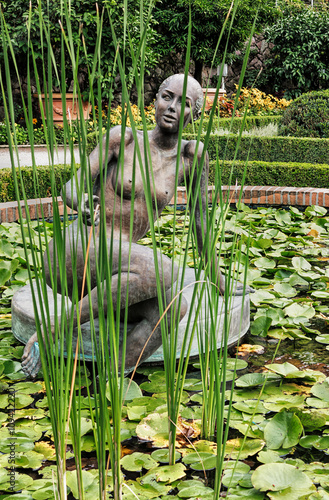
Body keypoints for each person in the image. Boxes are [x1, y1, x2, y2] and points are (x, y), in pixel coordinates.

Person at [21, 74, 225, 378]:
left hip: (115, 275)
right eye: (167, 97)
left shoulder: (191, 158)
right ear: (155, 100)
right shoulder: (124, 138)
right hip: (79, 248)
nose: (172, 106)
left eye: (184, 103)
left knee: (173, 308)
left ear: (195, 114)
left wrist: (220, 279)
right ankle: (53, 330)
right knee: (164, 270)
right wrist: (82, 201)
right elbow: (72, 186)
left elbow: (201, 222)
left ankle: (111, 377)